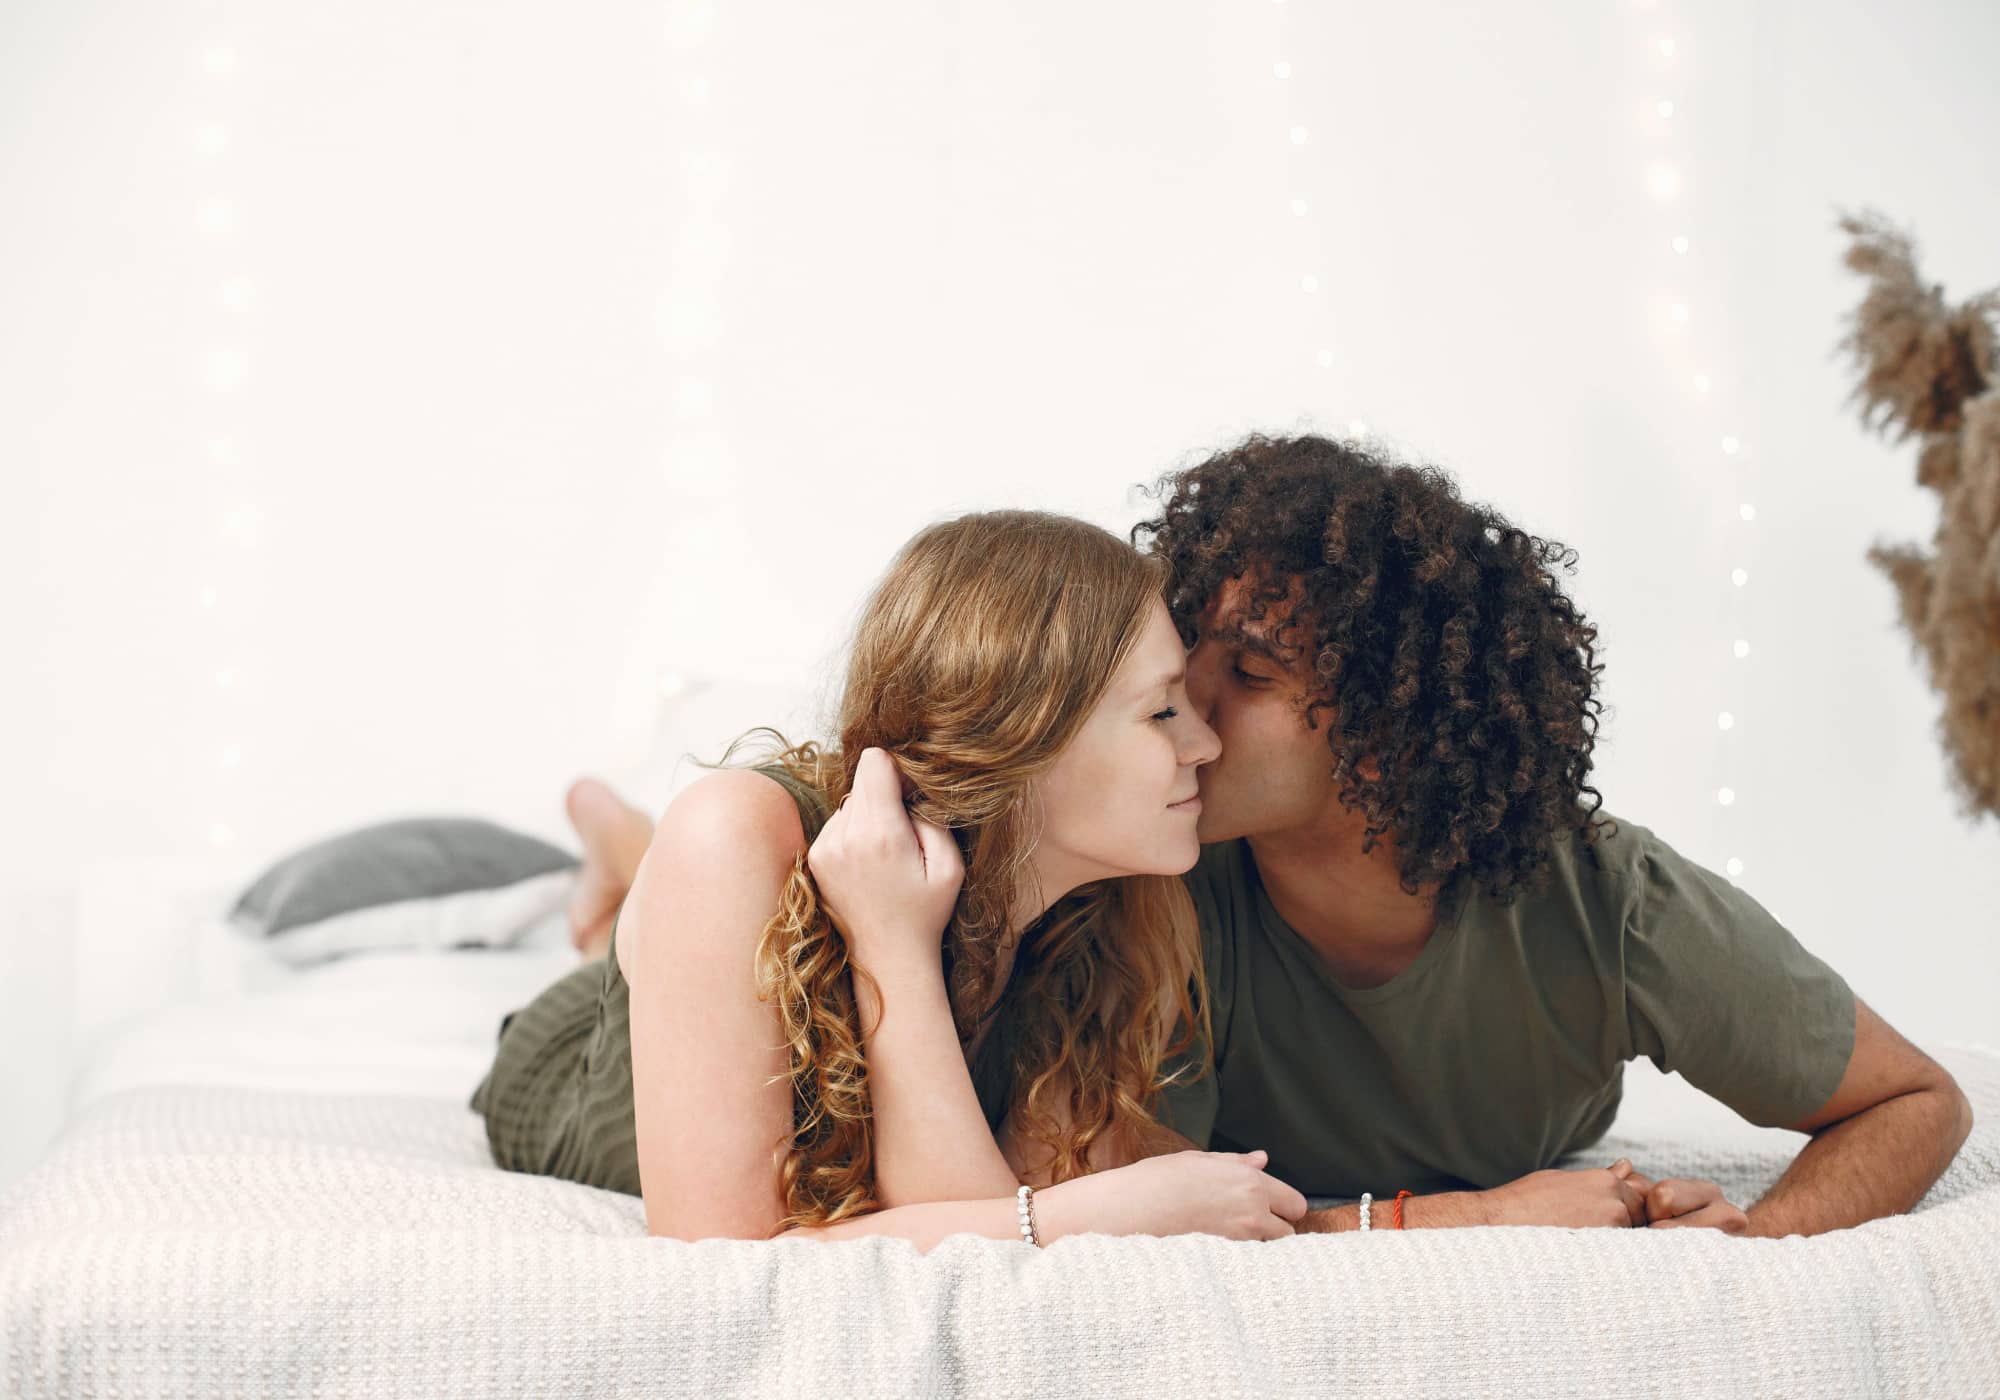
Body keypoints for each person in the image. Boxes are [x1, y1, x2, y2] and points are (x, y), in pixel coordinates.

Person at [1129, 430, 1974, 1237]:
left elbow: (1914, 1100)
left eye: (1250, 671)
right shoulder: (1148, 885)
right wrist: (1484, 1217)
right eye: (1186, 642)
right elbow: (1145, 1219)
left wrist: (1749, 1247)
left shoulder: (1609, 898)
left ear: (1389, 736)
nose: (1177, 696)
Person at [473, 508, 1319, 1249]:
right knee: (670, 903)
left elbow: (978, 1231)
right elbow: (724, 1257)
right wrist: (1105, 1211)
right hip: (578, 1069)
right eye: (1162, 710)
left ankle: (620, 877)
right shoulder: (731, 833)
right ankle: (624, 868)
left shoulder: (1120, 900)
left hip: (788, 916)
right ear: (1027, 738)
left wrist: (898, 946)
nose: (1205, 745)